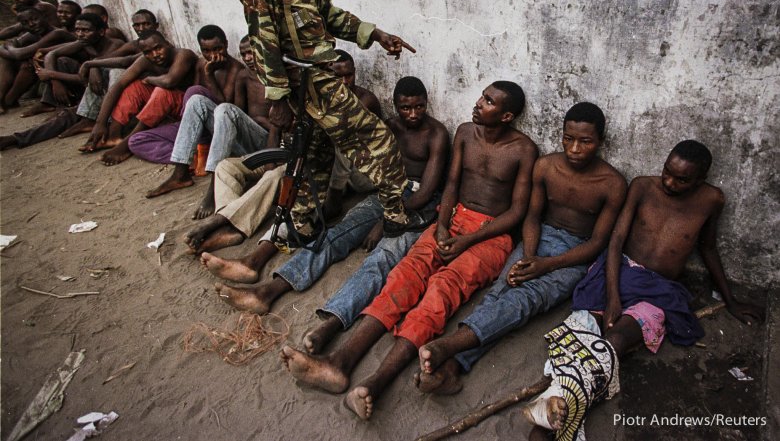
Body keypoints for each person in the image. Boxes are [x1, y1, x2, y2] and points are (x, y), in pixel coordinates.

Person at [280, 81, 538, 421]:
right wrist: (444, 226)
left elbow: (517, 213)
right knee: (404, 276)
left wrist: (466, 241)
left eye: (489, 101)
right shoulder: (464, 132)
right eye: (482, 95)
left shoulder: (523, 150)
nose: (478, 103)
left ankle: (375, 383)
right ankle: (340, 362)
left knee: (440, 292)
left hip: (492, 235)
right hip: (453, 219)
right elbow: (451, 185)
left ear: (506, 116)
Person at [522, 140, 765, 441]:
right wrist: (613, 298)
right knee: (580, 330)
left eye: (682, 179)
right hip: (618, 271)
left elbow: (709, 247)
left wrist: (731, 300)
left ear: (700, 179)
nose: (669, 182)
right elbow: (615, 241)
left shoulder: (712, 200)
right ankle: (559, 406)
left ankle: (559, 405)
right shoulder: (642, 187)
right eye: (666, 172)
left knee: (616, 340)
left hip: (657, 289)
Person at [236, 0, 424, 240]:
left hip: (313, 77)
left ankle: (304, 224)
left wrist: (374, 34)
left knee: (318, 152)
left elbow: (328, 13)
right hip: (307, 78)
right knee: (379, 139)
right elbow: (263, 34)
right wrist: (276, 97)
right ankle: (395, 216)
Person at [415, 102, 627, 395]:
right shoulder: (546, 166)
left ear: (600, 142)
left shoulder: (612, 183)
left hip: (574, 256)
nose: (575, 149)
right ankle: (452, 368)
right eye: (569, 138)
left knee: (527, 300)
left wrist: (545, 265)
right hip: (536, 238)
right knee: (501, 291)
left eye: (585, 141)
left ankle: (447, 347)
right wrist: (528, 256)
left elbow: (596, 244)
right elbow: (532, 217)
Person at [204, 76, 449, 316]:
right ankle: (266, 292)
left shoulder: (436, 134)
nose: (414, 114)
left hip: (414, 199)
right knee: (334, 236)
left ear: (426, 103)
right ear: (396, 106)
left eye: (419, 106)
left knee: (378, 260)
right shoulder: (390, 126)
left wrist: (383, 221)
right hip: (385, 192)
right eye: (406, 108)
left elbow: (426, 191)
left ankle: (332, 314)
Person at [144, 30, 270, 218]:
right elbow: (235, 111)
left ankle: (213, 187)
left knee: (225, 109)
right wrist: (209, 75)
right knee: (196, 100)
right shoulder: (245, 76)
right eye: (244, 54)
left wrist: (258, 120)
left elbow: (281, 119)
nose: (248, 58)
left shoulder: (276, 77)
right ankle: (181, 173)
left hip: (265, 143)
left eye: (253, 52)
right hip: (244, 140)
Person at [0, 14, 124, 151]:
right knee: (65, 116)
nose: (80, 34)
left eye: (86, 30)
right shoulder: (83, 43)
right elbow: (51, 55)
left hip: (110, 98)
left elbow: (89, 76)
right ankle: (16, 138)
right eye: (77, 30)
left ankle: (19, 137)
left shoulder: (116, 45)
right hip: (91, 95)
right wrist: (55, 82)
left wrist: (52, 74)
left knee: (67, 116)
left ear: (101, 32)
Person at [125, 24, 244, 166]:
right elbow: (192, 103)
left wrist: (209, 75)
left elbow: (225, 108)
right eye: (206, 51)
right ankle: (192, 157)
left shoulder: (236, 70)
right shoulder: (201, 63)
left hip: (218, 129)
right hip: (195, 127)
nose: (212, 55)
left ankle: (201, 148)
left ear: (226, 44)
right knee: (136, 141)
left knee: (195, 92)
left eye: (218, 49)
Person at [81, 30, 196, 165]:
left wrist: (150, 79)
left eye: (158, 48)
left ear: (168, 44)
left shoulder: (183, 54)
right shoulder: (145, 60)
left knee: (161, 92)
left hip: (188, 107)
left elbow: (169, 81)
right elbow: (118, 85)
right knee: (134, 87)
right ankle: (113, 135)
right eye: (148, 52)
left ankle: (126, 145)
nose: (155, 55)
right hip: (168, 107)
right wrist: (100, 123)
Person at [63, 9, 160, 140]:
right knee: (106, 69)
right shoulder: (133, 44)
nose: (141, 28)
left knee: (116, 72)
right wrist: (94, 65)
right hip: (133, 87)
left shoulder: (161, 44)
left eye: (146, 24)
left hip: (149, 90)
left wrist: (92, 64)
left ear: (156, 26)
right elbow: (108, 58)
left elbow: (125, 61)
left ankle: (109, 122)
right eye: (137, 25)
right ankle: (89, 119)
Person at [323, 49, 382, 218]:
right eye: (337, 77)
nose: (344, 82)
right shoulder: (325, 99)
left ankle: (334, 196)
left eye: (348, 75)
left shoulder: (366, 101)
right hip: (339, 168)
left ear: (355, 72)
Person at [0, 6, 56, 112]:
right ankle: (2, 99)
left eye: (35, 19)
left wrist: (10, 47)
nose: (31, 24)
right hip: (43, 71)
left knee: (29, 64)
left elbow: (19, 54)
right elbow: (7, 46)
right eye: (26, 23)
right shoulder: (33, 34)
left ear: (44, 17)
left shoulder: (56, 33)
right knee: (9, 58)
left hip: (59, 72)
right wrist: (10, 47)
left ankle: (7, 101)